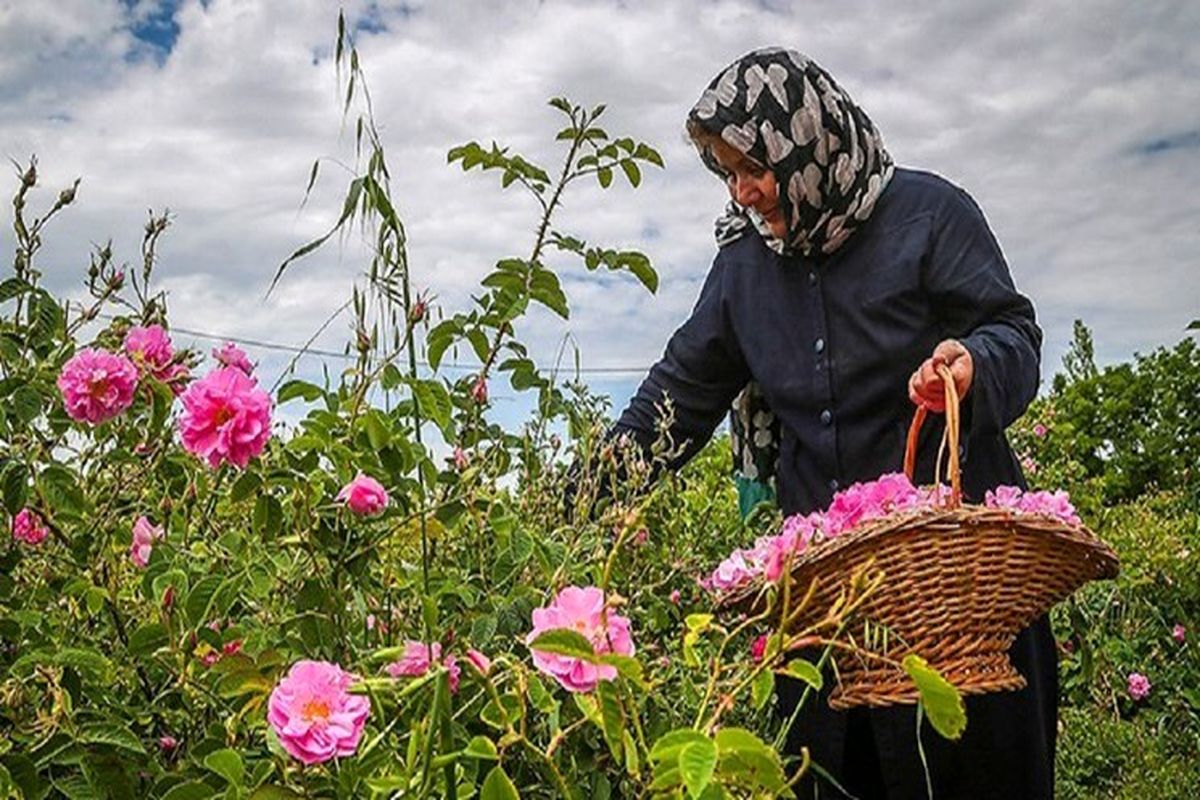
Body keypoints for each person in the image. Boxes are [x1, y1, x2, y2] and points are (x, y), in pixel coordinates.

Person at [609, 48, 1055, 798]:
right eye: (725, 172)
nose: (743, 191)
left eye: (754, 165)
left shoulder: (930, 216)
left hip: (953, 604)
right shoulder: (744, 269)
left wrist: (973, 364)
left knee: (972, 773)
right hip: (828, 618)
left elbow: (1015, 334)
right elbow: (676, 397)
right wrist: (579, 502)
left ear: (806, 137)